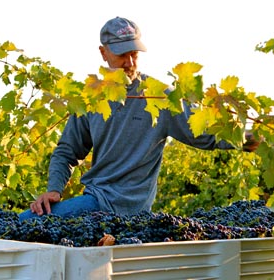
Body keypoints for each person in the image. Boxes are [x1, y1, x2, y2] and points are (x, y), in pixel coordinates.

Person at [19, 17, 259, 221]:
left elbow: (205, 135)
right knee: (27, 225)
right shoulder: (91, 97)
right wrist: (54, 190)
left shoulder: (159, 96)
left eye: (134, 54)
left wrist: (254, 139)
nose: (130, 63)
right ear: (103, 53)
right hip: (96, 201)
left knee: (24, 224)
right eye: (122, 55)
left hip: (128, 209)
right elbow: (68, 151)